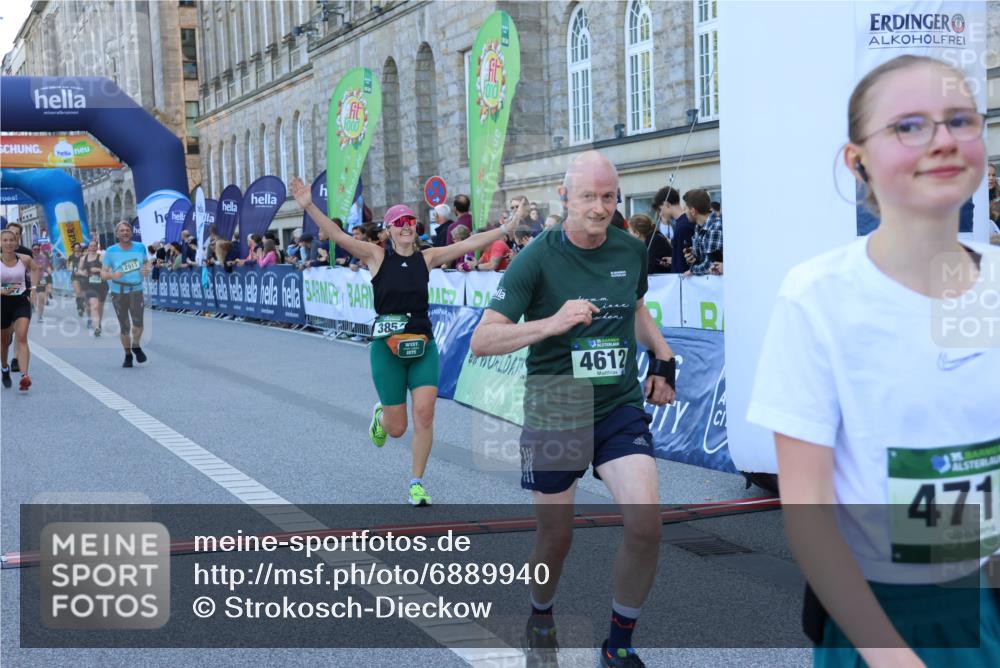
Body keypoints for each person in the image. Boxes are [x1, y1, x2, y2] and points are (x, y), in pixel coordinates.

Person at [748, 55, 1000, 667]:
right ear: (856, 161)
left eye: (960, 120)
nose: (942, 141)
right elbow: (808, 511)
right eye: (909, 126)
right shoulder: (817, 297)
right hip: (876, 623)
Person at [470, 151, 677, 668]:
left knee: (646, 521)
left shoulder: (631, 250)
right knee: (556, 534)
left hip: (616, 404)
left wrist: (663, 356)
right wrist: (551, 323)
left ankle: (618, 643)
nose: (601, 207)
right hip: (555, 405)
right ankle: (541, 615)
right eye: (589, 196)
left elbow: (632, 306)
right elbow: (483, 340)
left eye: (609, 197)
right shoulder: (536, 258)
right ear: (564, 198)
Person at [290, 175, 522, 506]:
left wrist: (506, 228)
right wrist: (309, 205)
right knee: (397, 428)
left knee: (425, 414)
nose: (406, 227)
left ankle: (416, 482)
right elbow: (340, 236)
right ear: (388, 229)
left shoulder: (426, 258)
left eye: (410, 222)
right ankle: (381, 416)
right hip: (387, 350)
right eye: (399, 223)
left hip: (423, 345)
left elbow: (467, 245)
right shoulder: (375, 255)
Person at [102, 220, 152, 367]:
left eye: (127, 230)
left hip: (136, 290)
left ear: (131, 232)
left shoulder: (140, 247)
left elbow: (146, 263)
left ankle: (136, 344)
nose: (125, 233)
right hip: (119, 292)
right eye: (122, 231)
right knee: (124, 326)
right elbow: (103, 274)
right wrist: (112, 276)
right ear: (117, 234)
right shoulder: (111, 251)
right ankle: (128, 354)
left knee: (138, 324)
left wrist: (146, 269)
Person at [1, 229, 40, 390]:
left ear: (16, 242)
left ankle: (24, 376)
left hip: (21, 301)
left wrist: (34, 289)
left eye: (12, 240)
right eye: (5, 240)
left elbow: (35, 269)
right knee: (4, 341)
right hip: (2, 303)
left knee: (22, 336)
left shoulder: (24, 259)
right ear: (0, 243)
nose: (9, 243)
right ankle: (4, 367)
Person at [3, 223, 32, 374]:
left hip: (22, 296)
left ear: (19, 237)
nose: (10, 240)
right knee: (6, 336)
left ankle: (15, 359)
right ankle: (4, 363)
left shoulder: (26, 255)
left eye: (15, 235)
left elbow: (32, 273)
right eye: (8, 236)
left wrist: (32, 290)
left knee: (21, 333)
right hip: (3, 299)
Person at [652, 186, 695, 274]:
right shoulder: (682, 223)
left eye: (660, 210)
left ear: (667, 204)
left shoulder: (683, 226)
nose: (660, 214)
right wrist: (674, 260)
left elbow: (687, 262)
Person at [681, 189, 722, 276]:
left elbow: (710, 265)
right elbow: (701, 259)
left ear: (693, 211)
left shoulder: (714, 227)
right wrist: (692, 258)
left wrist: (692, 270)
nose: (683, 212)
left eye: (685, 208)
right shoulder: (698, 227)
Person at [77, 239, 109, 337]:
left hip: (101, 285)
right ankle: (96, 328)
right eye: (91, 246)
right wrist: (83, 273)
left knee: (100, 307)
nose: (92, 248)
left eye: (94, 246)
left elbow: (108, 270)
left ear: (97, 247)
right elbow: (79, 270)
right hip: (89, 285)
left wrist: (99, 269)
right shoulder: (83, 259)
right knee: (94, 306)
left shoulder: (101, 257)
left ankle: (98, 323)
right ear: (88, 247)